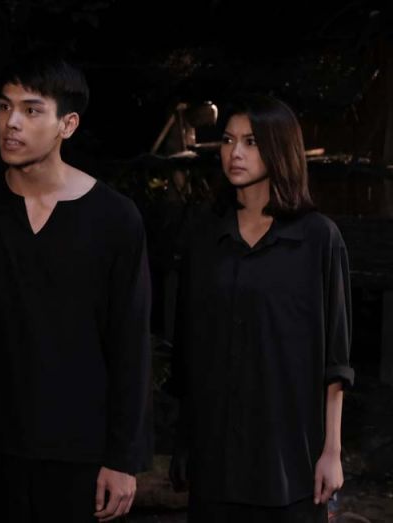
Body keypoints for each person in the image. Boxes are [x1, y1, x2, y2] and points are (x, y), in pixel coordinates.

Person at [0, 52, 152, 522]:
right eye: (4, 106)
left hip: (79, 456)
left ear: (67, 124)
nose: (11, 123)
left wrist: (123, 458)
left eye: (31, 110)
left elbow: (130, 342)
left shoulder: (115, 219)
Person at [170, 94, 353, 522]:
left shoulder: (318, 239)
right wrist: (184, 442)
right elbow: (190, 352)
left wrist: (331, 451)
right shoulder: (204, 239)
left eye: (251, 142)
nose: (235, 152)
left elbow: (336, 361)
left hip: (290, 459)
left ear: (279, 148)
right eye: (228, 140)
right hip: (215, 456)